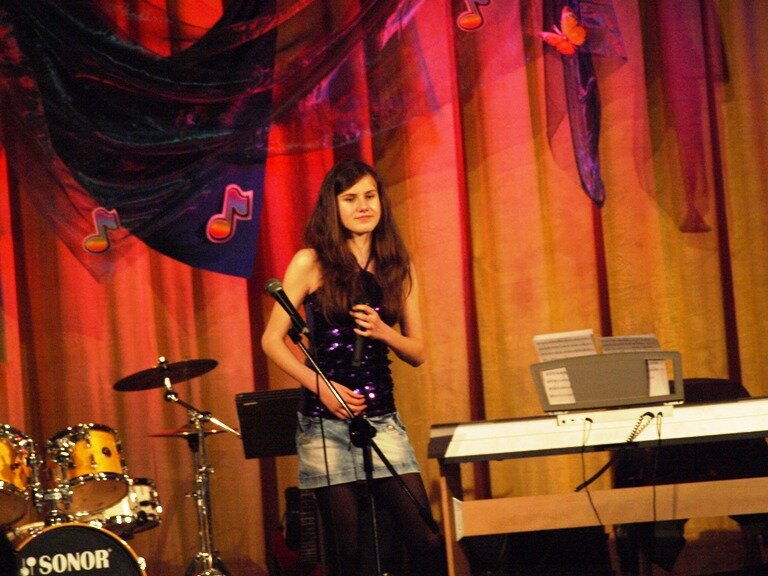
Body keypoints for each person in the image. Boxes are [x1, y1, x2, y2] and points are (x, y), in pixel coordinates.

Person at [261, 159, 446, 576]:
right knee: (347, 553)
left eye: (369, 196)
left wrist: (384, 332)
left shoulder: (398, 266)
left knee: (425, 539)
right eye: (350, 198)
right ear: (334, 206)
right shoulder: (311, 262)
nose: (363, 206)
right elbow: (272, 340)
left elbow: (417, 351)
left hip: (381, 419)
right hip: (323, 423)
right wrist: (323, 388)